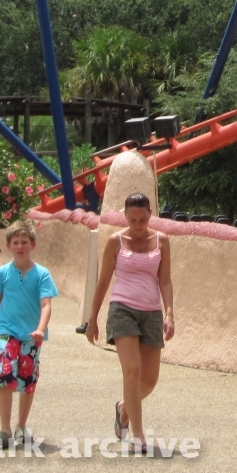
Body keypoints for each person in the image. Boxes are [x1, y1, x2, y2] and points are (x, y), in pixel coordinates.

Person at [86, 192, 174, 449]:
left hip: (152, 312)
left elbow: (165, 281)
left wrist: (169, 313)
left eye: (143, 219)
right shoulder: (115, 242)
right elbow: (102, 282)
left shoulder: (162, 241)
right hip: (122, 309)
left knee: (149, 380)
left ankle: (124, 409)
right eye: (133, 219)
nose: (138, 225)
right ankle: (138, 436)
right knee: (132, 372)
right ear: (125, 216)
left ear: (150, 215)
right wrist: (92, 319)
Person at [0, 223, 58, 448]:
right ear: (9, 246)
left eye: (24, 243)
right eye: (15, 243)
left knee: (27, 379)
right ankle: (4, 429)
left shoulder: (42, 274)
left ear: (33, 245)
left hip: (31, 334)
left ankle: (21, 425)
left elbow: (46, 305)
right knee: (4, 376)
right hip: (6, 331)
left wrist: (40, 328)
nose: (20, 247)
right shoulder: (2, 273)